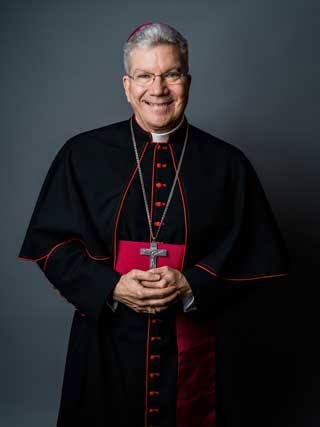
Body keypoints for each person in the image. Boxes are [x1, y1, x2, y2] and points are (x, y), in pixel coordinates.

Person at [18, 22, 289, 427]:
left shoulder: (227, 164)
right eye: (145, 75)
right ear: (127, 85)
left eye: (171, 74)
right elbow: (51, 244)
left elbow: (255, 252)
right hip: (105, 343)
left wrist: (192, 284)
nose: (157, 89)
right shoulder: (82, 154)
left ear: (188, 81)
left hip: (197, 348)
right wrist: (110, 285)